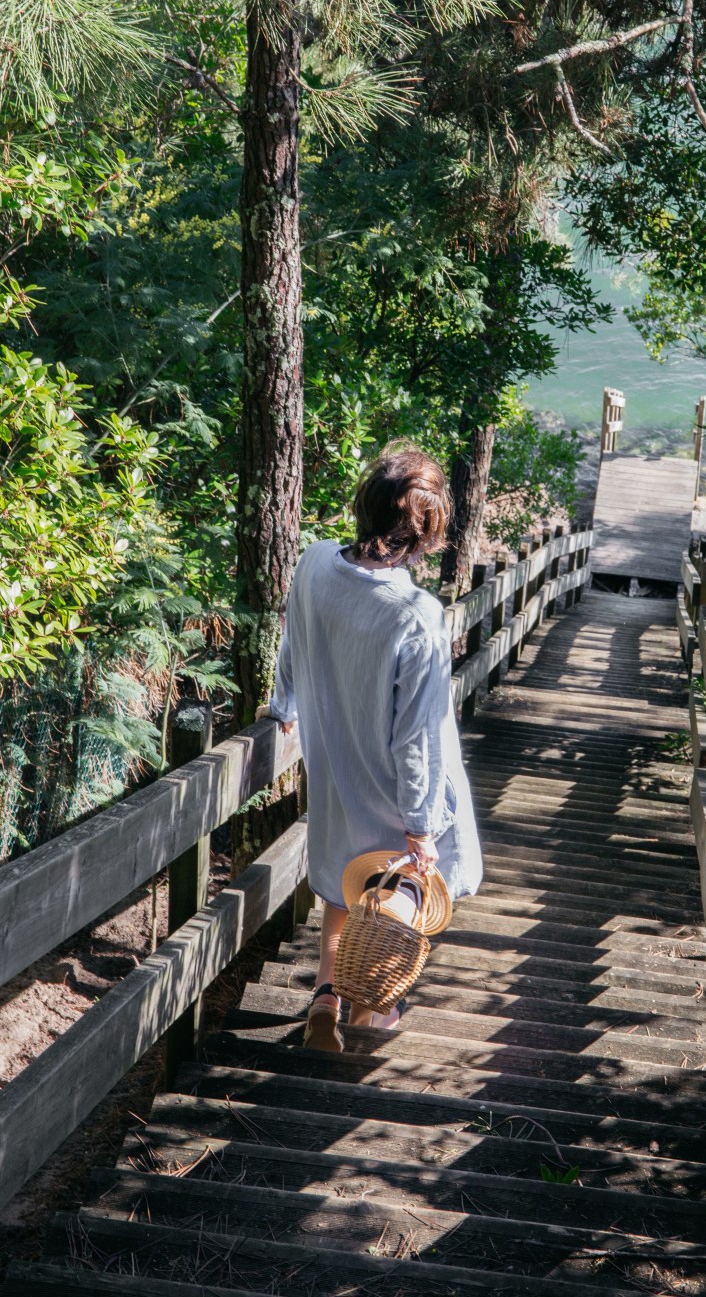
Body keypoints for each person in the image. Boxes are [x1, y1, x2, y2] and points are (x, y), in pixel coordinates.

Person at [256, 442, 483, 1050]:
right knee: (400, 888)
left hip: (337, 766)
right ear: (426, 532)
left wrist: (285, 706)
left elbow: (293, 642)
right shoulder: (417, 614)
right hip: (395, 783)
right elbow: (419, 734)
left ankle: (327, 996)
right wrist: (422, 825)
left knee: (344, 876)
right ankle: (374, 1005)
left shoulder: (312, 564)